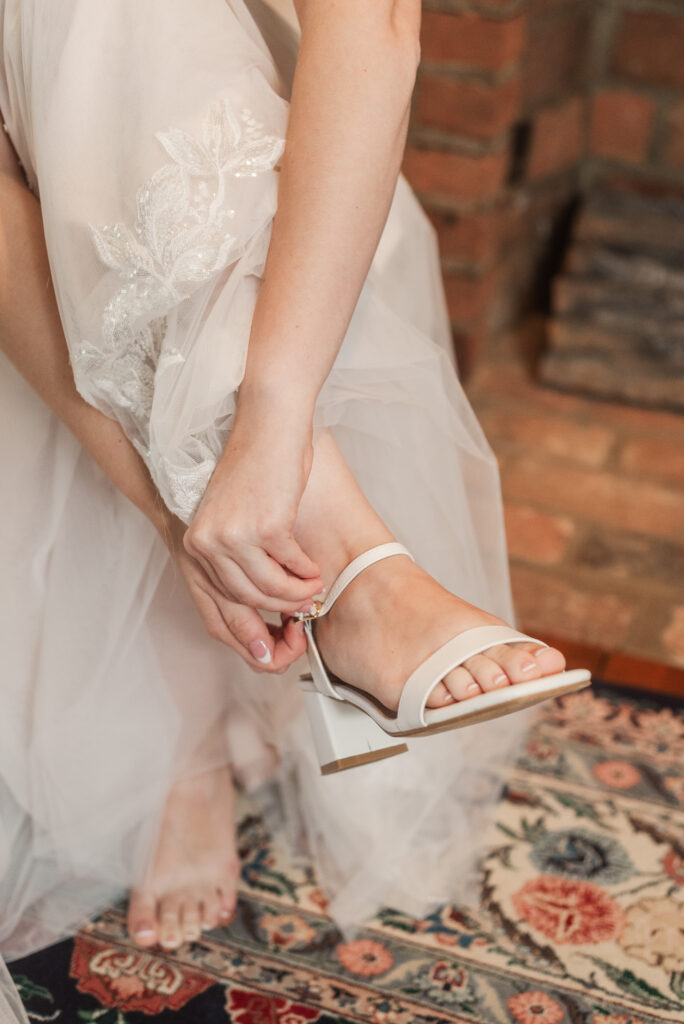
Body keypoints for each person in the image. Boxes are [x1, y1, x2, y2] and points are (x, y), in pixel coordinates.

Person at [0, 1, 588, 1019]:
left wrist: (275, 417)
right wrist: (180, 514)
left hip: (247, 133)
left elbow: (377, 22)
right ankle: (352, 567)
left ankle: (327, 556)